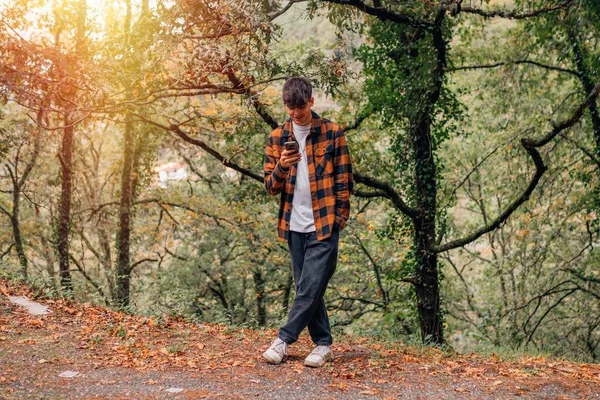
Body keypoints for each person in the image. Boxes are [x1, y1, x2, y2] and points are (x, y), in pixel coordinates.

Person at [262, 76, 353, 368]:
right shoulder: (277, 138)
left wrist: (339, 219)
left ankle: (283, 340)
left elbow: (344, 180)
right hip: (293, 226)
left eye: (300, 108)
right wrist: (282, 167)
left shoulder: (332, 133)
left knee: (309, 286)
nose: (295, 114)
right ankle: (323, 344)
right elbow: (270, 186)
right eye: (290, 109)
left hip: (324, 222)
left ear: (311, 102)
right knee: (308, 287)